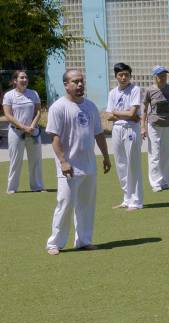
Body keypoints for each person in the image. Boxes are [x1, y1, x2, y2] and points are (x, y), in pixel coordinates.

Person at [45, 70, 112, 255]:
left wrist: (105, 156)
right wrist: (63, 161)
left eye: (82, 81)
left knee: (87, 205)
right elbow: (55, 137)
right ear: (66, 85)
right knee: (65, 204)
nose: (80, 85)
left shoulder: (90, 106)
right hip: (69, 167)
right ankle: (55, 243)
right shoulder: (58, 107)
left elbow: (98, 133)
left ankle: (84, 240)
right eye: (75, 81)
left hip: (89, 165)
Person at [105, 62, 143, 210]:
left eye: (126, 74)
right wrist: (124, 114)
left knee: (133, 164)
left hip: (131, 129)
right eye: (121, 75)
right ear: (116, 76)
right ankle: (126, 198)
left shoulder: (135, 90)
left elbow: (133, 114)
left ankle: (136, 201)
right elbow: (108, 115)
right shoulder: (112, 93)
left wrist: (117, 112)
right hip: (117, 129)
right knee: (121, 164)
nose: (124, 77)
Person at [141, 65, 169, 192]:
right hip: (154, 125)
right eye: (160, 75)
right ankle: (155, 183)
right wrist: (142, 127)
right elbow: (144, 110)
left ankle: (165, 181)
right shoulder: (149, 90)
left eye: (164, 75)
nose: (163, 77)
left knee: (166, 154)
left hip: (168, 125)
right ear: (155, 77)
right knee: (155, 154)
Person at [3, 70, 44, 193]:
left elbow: (38, 111)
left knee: (36, 160)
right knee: (16, 160)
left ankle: (37, 187)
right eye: (22, 77)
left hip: (33, 132)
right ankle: (12, 189)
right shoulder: (9, 95)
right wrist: (23, 127)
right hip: (16, 133)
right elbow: (8, 115)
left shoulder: (34, 93)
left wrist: (31, 127)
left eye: (26, 77)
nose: (25, 79)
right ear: (15, 80)